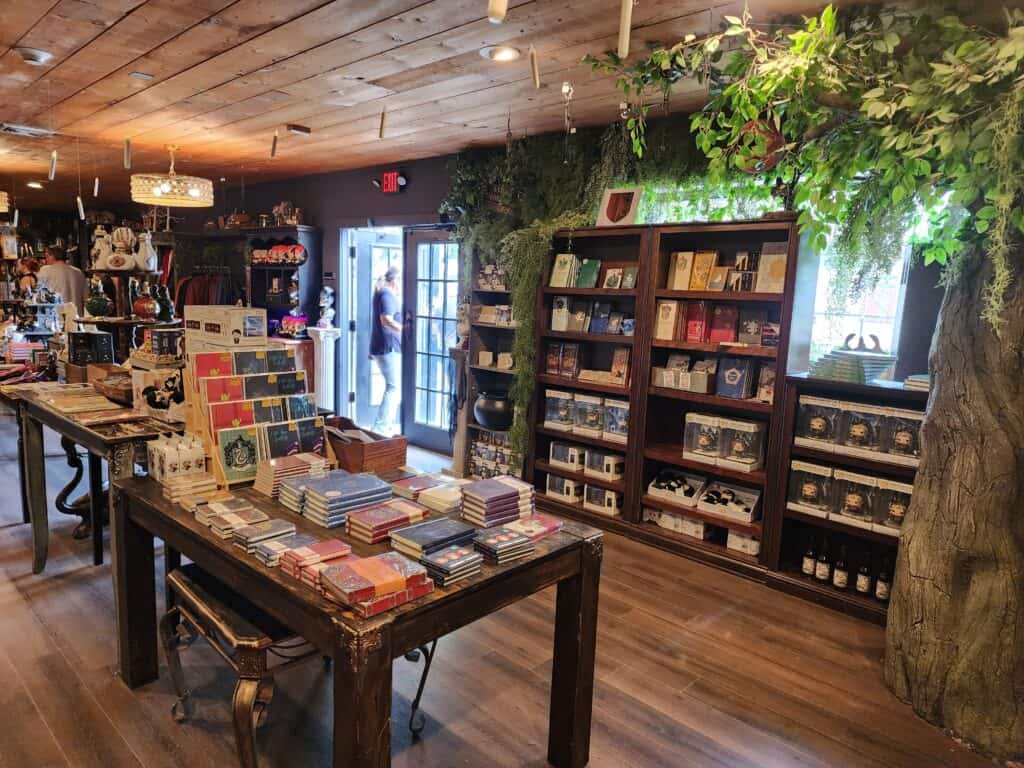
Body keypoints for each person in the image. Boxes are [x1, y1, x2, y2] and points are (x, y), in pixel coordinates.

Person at [370, 267, 402, 434]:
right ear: (395, 280)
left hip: (383, 345)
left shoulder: (381, 293)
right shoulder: (387, 295)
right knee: (393, 387)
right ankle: (381, 429)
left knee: (393, 387)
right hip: (388, 346)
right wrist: (405, 329)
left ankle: (386, 426)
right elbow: (386, 320)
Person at [38, 245, 86, 313]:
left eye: (47, 256)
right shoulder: (79, 272)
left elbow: (39, 295)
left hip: (56, 317)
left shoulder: (45, 270)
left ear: (52, 256)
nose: (46, 260)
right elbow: (85, 297)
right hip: (76, 317)